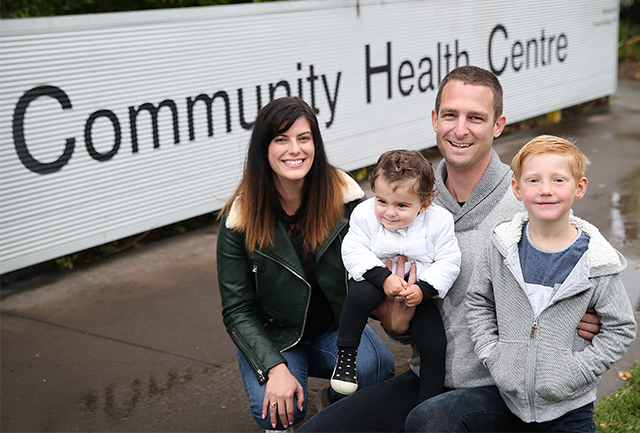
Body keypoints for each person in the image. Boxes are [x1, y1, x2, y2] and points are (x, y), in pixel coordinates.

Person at [297, 65, 602, 433]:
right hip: (429, 378)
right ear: (434, 119)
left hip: (505, 391)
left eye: (476, 117)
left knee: (433, 422)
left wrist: (585, 313)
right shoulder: (403, 202)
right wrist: (395, 324)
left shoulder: (528, 201)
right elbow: (390, 301)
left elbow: (591, 280)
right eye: (450, 115)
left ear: (498, 125)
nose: (460, 130)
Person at [216, 96, 395, 432]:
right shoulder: (239, 219)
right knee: (278, 412)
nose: (294, 149)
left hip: (334, 331)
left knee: (375, 367)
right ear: (264, 149)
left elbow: (377, 260)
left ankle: (332, 407)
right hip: (276, 338)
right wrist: (274, 367)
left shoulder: (345, 199)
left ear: (316, 143)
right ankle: (288, 389)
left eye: (303, 138)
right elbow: (237, 311)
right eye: (281, 139)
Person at [466, 135, 636, 432]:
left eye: (558, 180)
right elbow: (479, 300)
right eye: (533, 181)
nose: (546, 190)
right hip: (510, 401)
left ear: (579, 187)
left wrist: (579, 371)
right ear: (517, 189)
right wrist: (492, 354)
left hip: (570, 408)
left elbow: (620, 328)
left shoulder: (596, 261)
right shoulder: (502, 247)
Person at [330, 150, 460, 401]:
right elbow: (353, 249)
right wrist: (383, 278)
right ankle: (346, 357)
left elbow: (449, 260)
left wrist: (424, 289)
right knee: (358, 297)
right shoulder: (364, 214)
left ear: (424, 204)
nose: (389, 213)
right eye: (381, 201)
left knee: (434, 341)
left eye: (401, 205)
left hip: (416, 290)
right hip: (372, 280)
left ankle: (430, 398)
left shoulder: (439, 221)